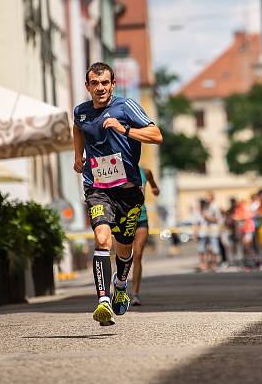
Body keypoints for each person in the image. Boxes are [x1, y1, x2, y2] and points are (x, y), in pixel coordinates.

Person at [73, 62, 162, 326]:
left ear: (112, 84)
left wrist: (124, 129)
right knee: (102, 239)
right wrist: (78, 156)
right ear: (87, 86)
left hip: (128, 191)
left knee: (125, 248)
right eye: (94, 83)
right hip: (98, 188)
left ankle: (120, 283)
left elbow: (157, 135)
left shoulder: (126, 107)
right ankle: (103, 301)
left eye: (104, 83)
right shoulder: (81, 112)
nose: (100, 88)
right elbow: (78, 127)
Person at [130, 167, 159, 307]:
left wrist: (155, 189)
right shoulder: (116, 169)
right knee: (123, 257)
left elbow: (154, 185)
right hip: (123, 218)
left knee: (138, 254)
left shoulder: (145, 172)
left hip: (141, 217)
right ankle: (120, 286)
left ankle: (135, 294)